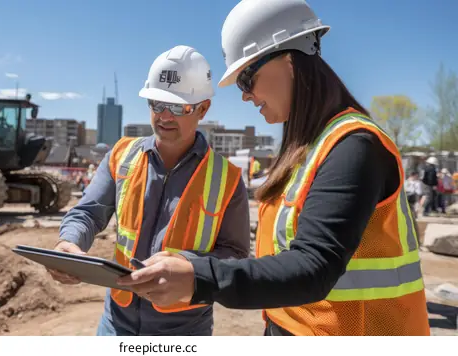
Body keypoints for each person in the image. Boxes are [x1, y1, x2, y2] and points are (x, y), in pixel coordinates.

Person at [117, 0, 430, 336]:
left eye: (246, 78)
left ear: (289, 61)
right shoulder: (310, 148)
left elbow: (314, 267)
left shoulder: (354, 146)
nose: (246, 96)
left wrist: (200, 278)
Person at [47, 45, 251, 336]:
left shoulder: (227, 180)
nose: (165, 116)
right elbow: (88, 214)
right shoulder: (121, 156)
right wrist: (69, 244)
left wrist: (187, 267)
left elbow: (236, 256)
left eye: (179, 107)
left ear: (203, 108)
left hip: (185, 329)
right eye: (157, 103)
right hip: (116, 322)